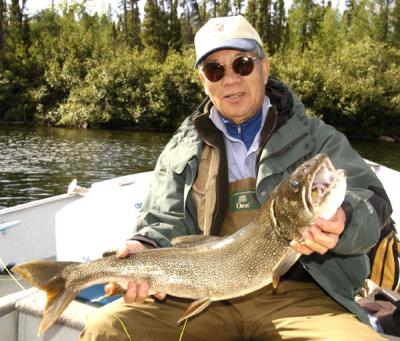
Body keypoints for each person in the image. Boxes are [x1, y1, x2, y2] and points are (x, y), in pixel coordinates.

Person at [80, 15, 393, 340]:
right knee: (106, 329)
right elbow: (163, 222)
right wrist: (143, 244)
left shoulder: (317, 139)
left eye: (241, 64)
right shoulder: (180, 150)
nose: (230, 79)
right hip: (203, 294)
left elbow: (373, 202)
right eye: (215, 70)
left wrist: (345, 219)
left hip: (304, 299)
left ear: (264, 68)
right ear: (203, 80)